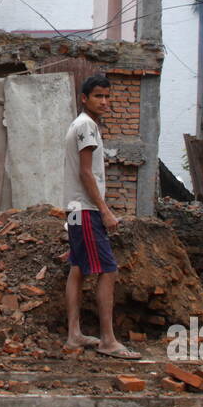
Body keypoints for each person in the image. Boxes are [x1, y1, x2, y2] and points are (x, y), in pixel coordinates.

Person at [63, 74, 139, 359]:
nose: (104, 101)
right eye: (98, 96)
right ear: (85, 98)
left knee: (78, 269)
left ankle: (74, 335)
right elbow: (85, 173)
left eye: (107, 96)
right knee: (108, 270)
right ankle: (108, 340)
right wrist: (105, 211)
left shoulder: (81, 125)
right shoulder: (87, 126)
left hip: (74, 209)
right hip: (86, 210)